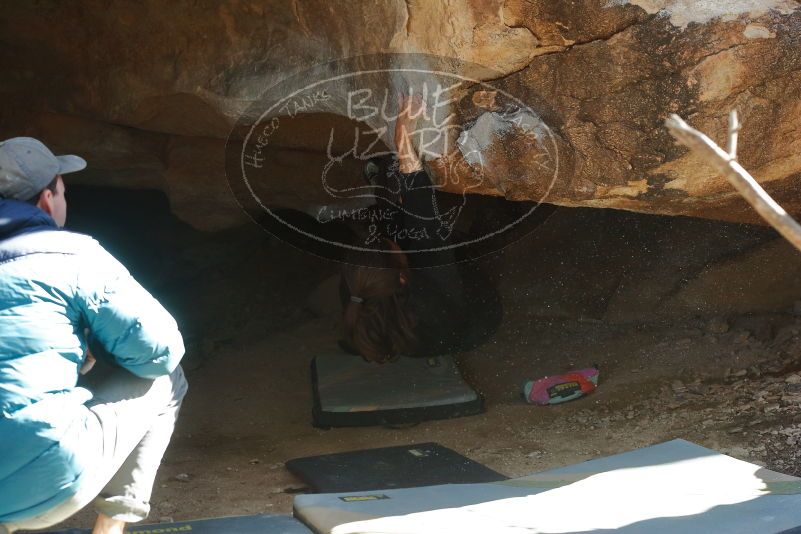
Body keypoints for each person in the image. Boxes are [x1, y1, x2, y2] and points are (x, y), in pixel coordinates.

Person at [0, 138, 187, 534]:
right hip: (44, 482)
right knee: (166, 379)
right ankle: (109, 528)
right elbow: (160, 352)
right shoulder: (72, 257)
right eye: (64, 191)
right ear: (47, 199)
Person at [340, 96, 503, 363]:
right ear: (404, 279)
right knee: (423, 235)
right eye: (388, 249)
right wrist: (403, 139)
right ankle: (390, 173)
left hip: (411, 341)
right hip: (477, 324)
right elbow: (421, 210)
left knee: (391, 233)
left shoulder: (355, 293)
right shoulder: (431, 283)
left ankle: (384, 176)